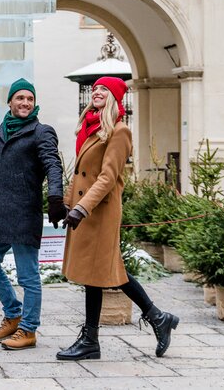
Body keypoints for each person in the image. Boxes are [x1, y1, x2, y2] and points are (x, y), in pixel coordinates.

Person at [57, 76, 179, 361]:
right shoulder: (90, 128)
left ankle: (90, 340)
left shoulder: (119, 131)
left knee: (95, 273)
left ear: (114, 98)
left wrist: (81, 208)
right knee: (106, 271)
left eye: (104, 89)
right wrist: (66, 203)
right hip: (86, 208)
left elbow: (108, 177)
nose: (97, 92)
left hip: (100, 211)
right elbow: (78, 173)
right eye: (96, 88)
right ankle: (158, 318)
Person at [0, 79, 65, 351]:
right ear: (9, 102)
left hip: (24, 213)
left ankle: (28, 329)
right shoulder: (0, 132)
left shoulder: (41, 132)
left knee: (28, 276)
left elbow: (52, 165)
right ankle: (13, 313)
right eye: (20, 98)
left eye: (30, 99)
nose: (25, 103)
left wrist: (56, 197)